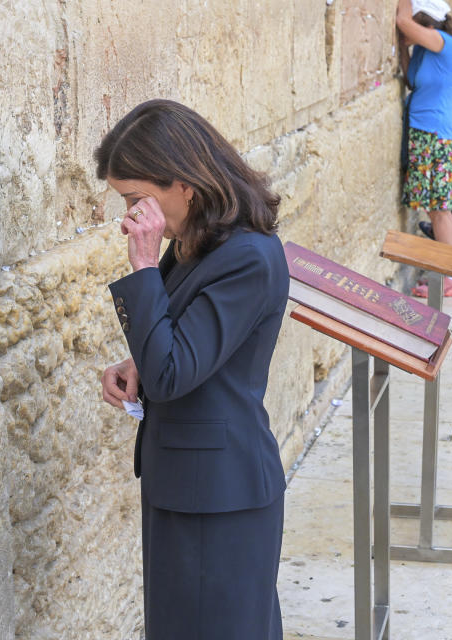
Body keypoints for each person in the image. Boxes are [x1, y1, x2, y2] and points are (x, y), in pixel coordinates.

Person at [97, 99, 288, 640]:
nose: (131, 215)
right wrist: (139, 359)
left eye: (137, 198)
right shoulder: (198, 244)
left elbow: (174, 372)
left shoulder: (247, 256)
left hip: (220, 496)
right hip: (187, 485)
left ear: (184, 183)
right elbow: (185, 344)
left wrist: (140, 265)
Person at [396, 0, 452, 297]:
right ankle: (447, 273)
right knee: (432, 207)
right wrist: (402, 46)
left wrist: (404, 7)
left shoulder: (445, 43)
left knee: (440, 209)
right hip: (422, 135)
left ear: (427, 24)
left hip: (437, 136)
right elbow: (410, 77)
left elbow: (402, 20)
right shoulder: (425, 51)